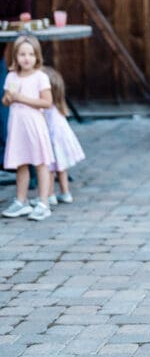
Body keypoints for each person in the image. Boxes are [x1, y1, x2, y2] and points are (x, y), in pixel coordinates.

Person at [1, 35, 54, 221]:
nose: (26, 58)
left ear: (37, 56)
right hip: (18, 127)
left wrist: (21, 98)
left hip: (34, 126)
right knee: (21, 163)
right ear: (16, 57)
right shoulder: (11, 76)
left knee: (40, 163)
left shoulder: (40, 77)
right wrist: (9, 98)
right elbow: (6, 100)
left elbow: (47, 102)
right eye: (22, 54)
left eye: (31, 54)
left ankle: (43, 202)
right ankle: (21, 200)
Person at [0, 0, 32, 151]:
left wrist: (9, 22)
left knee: (5, 98)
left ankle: (9, 153)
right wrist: (15, 21)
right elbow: (18, 19)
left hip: (0, 52)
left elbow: (26, 15)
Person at [43, 66, 85, 204]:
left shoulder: (46, 108)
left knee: (49, 169)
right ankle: (65, 192)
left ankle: (50, 195)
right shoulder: (58, 107)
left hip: (52, 141)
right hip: (61, 141)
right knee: (61, 168)